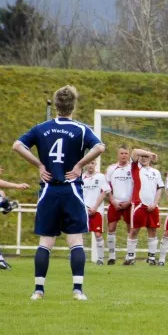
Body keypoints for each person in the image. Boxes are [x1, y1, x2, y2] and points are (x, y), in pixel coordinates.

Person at [13, 85, 105, 300]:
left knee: (46, 242)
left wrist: (39, 165)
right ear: (74, 105)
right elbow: (100, 147)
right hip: (71, 189)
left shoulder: (41, 128)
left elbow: (17, 145)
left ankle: (38, 290)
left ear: (55, 105)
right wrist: (80, 165)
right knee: (75, 241)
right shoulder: (81, 129)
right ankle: (78, 290)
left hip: (48, 190)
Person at [126, 147, 162, 265]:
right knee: (134, 230)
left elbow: (159, 189)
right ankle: (130, 257)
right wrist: (150, 153)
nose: (144, 158)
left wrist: (155, 203)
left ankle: (151, 258)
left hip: (152, 206)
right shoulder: (135, 167)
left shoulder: (155, 172)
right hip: (138, 205)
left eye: (146, 156)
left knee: (152, 230)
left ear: (150, 159)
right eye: (142, 156)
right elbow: (135, 151)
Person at [105, 145, 133, 265]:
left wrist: (129, 201)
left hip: (129, 203)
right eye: (122, 153)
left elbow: (136, 186)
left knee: (130, 229)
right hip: (115, 203)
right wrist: (112, 201)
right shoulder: (111, 169)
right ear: (118, 154)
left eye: (126, 153)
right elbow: (107, 187)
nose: (124, 155)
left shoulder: (133, 168)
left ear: (129, 155)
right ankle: (112, 256)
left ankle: (129, 256)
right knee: (111, 228)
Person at [82, 160, 111, 265]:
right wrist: (84, 207)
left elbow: (104, 193)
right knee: (79, 233)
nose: (90, 165)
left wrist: (95, 207)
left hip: (97, 210)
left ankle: (100, 259)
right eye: (88, 163)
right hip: (83, 209)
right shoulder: (81, 177)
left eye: (92, 163)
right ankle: (79, 257)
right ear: (85, 164)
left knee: (98, 234)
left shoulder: (101, 177)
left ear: (95, 164)